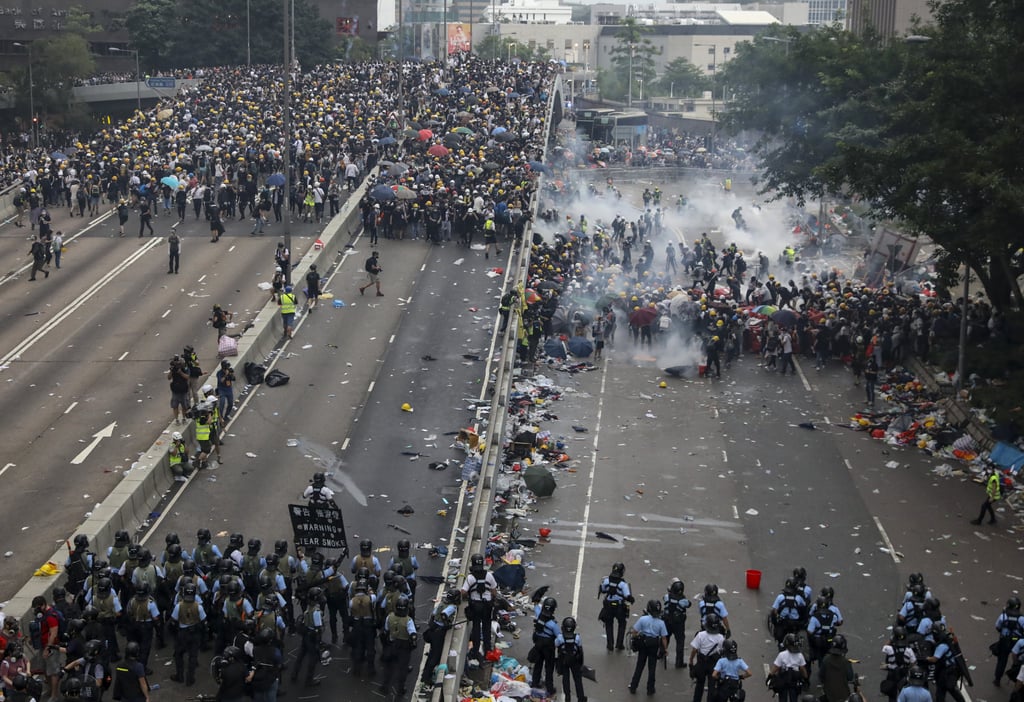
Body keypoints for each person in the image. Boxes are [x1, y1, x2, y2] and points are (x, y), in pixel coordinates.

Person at [420, 589, 459, 692]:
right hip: (438, 633)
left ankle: (425, 675)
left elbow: (433, 614)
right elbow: (444, 614)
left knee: (432, 654)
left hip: (433, 629)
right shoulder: (451, 607)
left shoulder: (442, 603)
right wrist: (446, 624)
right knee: (435, 657)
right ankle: (426, 678)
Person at [460, 553, 497, 660]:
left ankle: (475, 650)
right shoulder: (489, 575)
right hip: (487, 606)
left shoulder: (470, 578)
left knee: (476, 628)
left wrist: (469, 597)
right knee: (486, 628)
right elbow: (494, 591)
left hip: (476, 606)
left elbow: (463, 592)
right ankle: (488, 650)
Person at [379, 595, 417, 697]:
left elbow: (385, 631)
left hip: (391, 646)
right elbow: (413, 634)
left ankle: (385, 685)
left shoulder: (389, 617)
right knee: (402, 669)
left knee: (388, 667)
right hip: (403, 649)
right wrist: (412, 645)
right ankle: (400, 688)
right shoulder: (408, 621)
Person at [629, 600, 669, 695]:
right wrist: (665, 649)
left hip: (643, 644)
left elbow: (634, 632)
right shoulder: (661, 623)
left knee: (639, 666)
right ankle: (650, 689)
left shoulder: (643, 619)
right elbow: (663, 638)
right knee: (652, 668)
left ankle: (633, 686)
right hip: (654, 646)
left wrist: (635, 639)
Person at [689, 613, 725, 702]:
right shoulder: (721, 638)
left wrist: (691, 661)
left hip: (701, 663)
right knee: (712, 686)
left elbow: (694, 650)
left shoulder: (700, 635)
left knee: (699, 684)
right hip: (713, 664)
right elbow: (721, 652)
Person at [531, 597, 561, 695]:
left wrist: (537, 600)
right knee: (549, 667)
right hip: (548, 647)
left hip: (538, 645)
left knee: (538, 664)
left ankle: (535, 683)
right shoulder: (553, 624)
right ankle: (549, 688)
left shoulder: (539, 615)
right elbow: (559, 638)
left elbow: (536, 606)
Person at [819, 634, 859, 702]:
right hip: (843, 695)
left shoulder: (826, 659)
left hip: (829, 694)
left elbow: (821, 675)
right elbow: (850, 677)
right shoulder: (846, 662)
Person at [993, 596, 1023, 685]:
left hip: (1004, 640)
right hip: (1016, 641)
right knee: (1018, 661)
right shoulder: (1021, 618)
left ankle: (997, 679)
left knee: (1002, 660)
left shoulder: (1003, 616)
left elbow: (997, 626)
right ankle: (1017, 679)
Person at [769, 633, 808, 702]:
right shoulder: (800, 655)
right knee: (794, 698)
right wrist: (805, 678)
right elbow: (802, 669)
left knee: (782, 698)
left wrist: (770, 676)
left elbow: (776, 667)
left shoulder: (782, 655)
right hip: (794, 680)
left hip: (783, 679)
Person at [556, 616, 587, 702]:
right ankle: (581, 698)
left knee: (565, 679)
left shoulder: (560, 638)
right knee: (577, 680)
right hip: (575, 661)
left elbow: (556, 645)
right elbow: (580, 651)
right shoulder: (577, 638)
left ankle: (567, 697)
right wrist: (581, 664)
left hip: (564, 661)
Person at [663, 579, 691, 668]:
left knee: (665, 637)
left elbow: (664, 598)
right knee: (680, 642)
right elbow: (689, 604)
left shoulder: (667, 597)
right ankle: (679, 662)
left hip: (667, 621)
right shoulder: (683, 601)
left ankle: (661, 653)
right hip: (678, 623)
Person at [167, 355, 191, 425]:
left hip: (183, 390)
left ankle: (184, 418)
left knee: (184, 405)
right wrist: (171, 371)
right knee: (175, 406)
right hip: (175, 390)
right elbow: (168, 378)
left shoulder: (185, 368)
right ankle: (176, 419)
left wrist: (180, 372)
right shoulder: (173, 369)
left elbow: (187, 377)